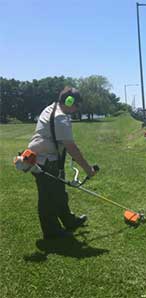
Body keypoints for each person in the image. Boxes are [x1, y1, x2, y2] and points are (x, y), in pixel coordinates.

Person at [28, 87, 97, 239]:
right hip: (44, 162)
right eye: (77, 105)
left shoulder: (51, 108)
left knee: (59, 194)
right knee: (48, 198)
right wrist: (88, 169)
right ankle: (52, 232)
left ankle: (69, 220)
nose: (77, 109)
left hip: (49, 160)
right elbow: (72, 148)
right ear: (69, 101)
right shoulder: (60, 117)